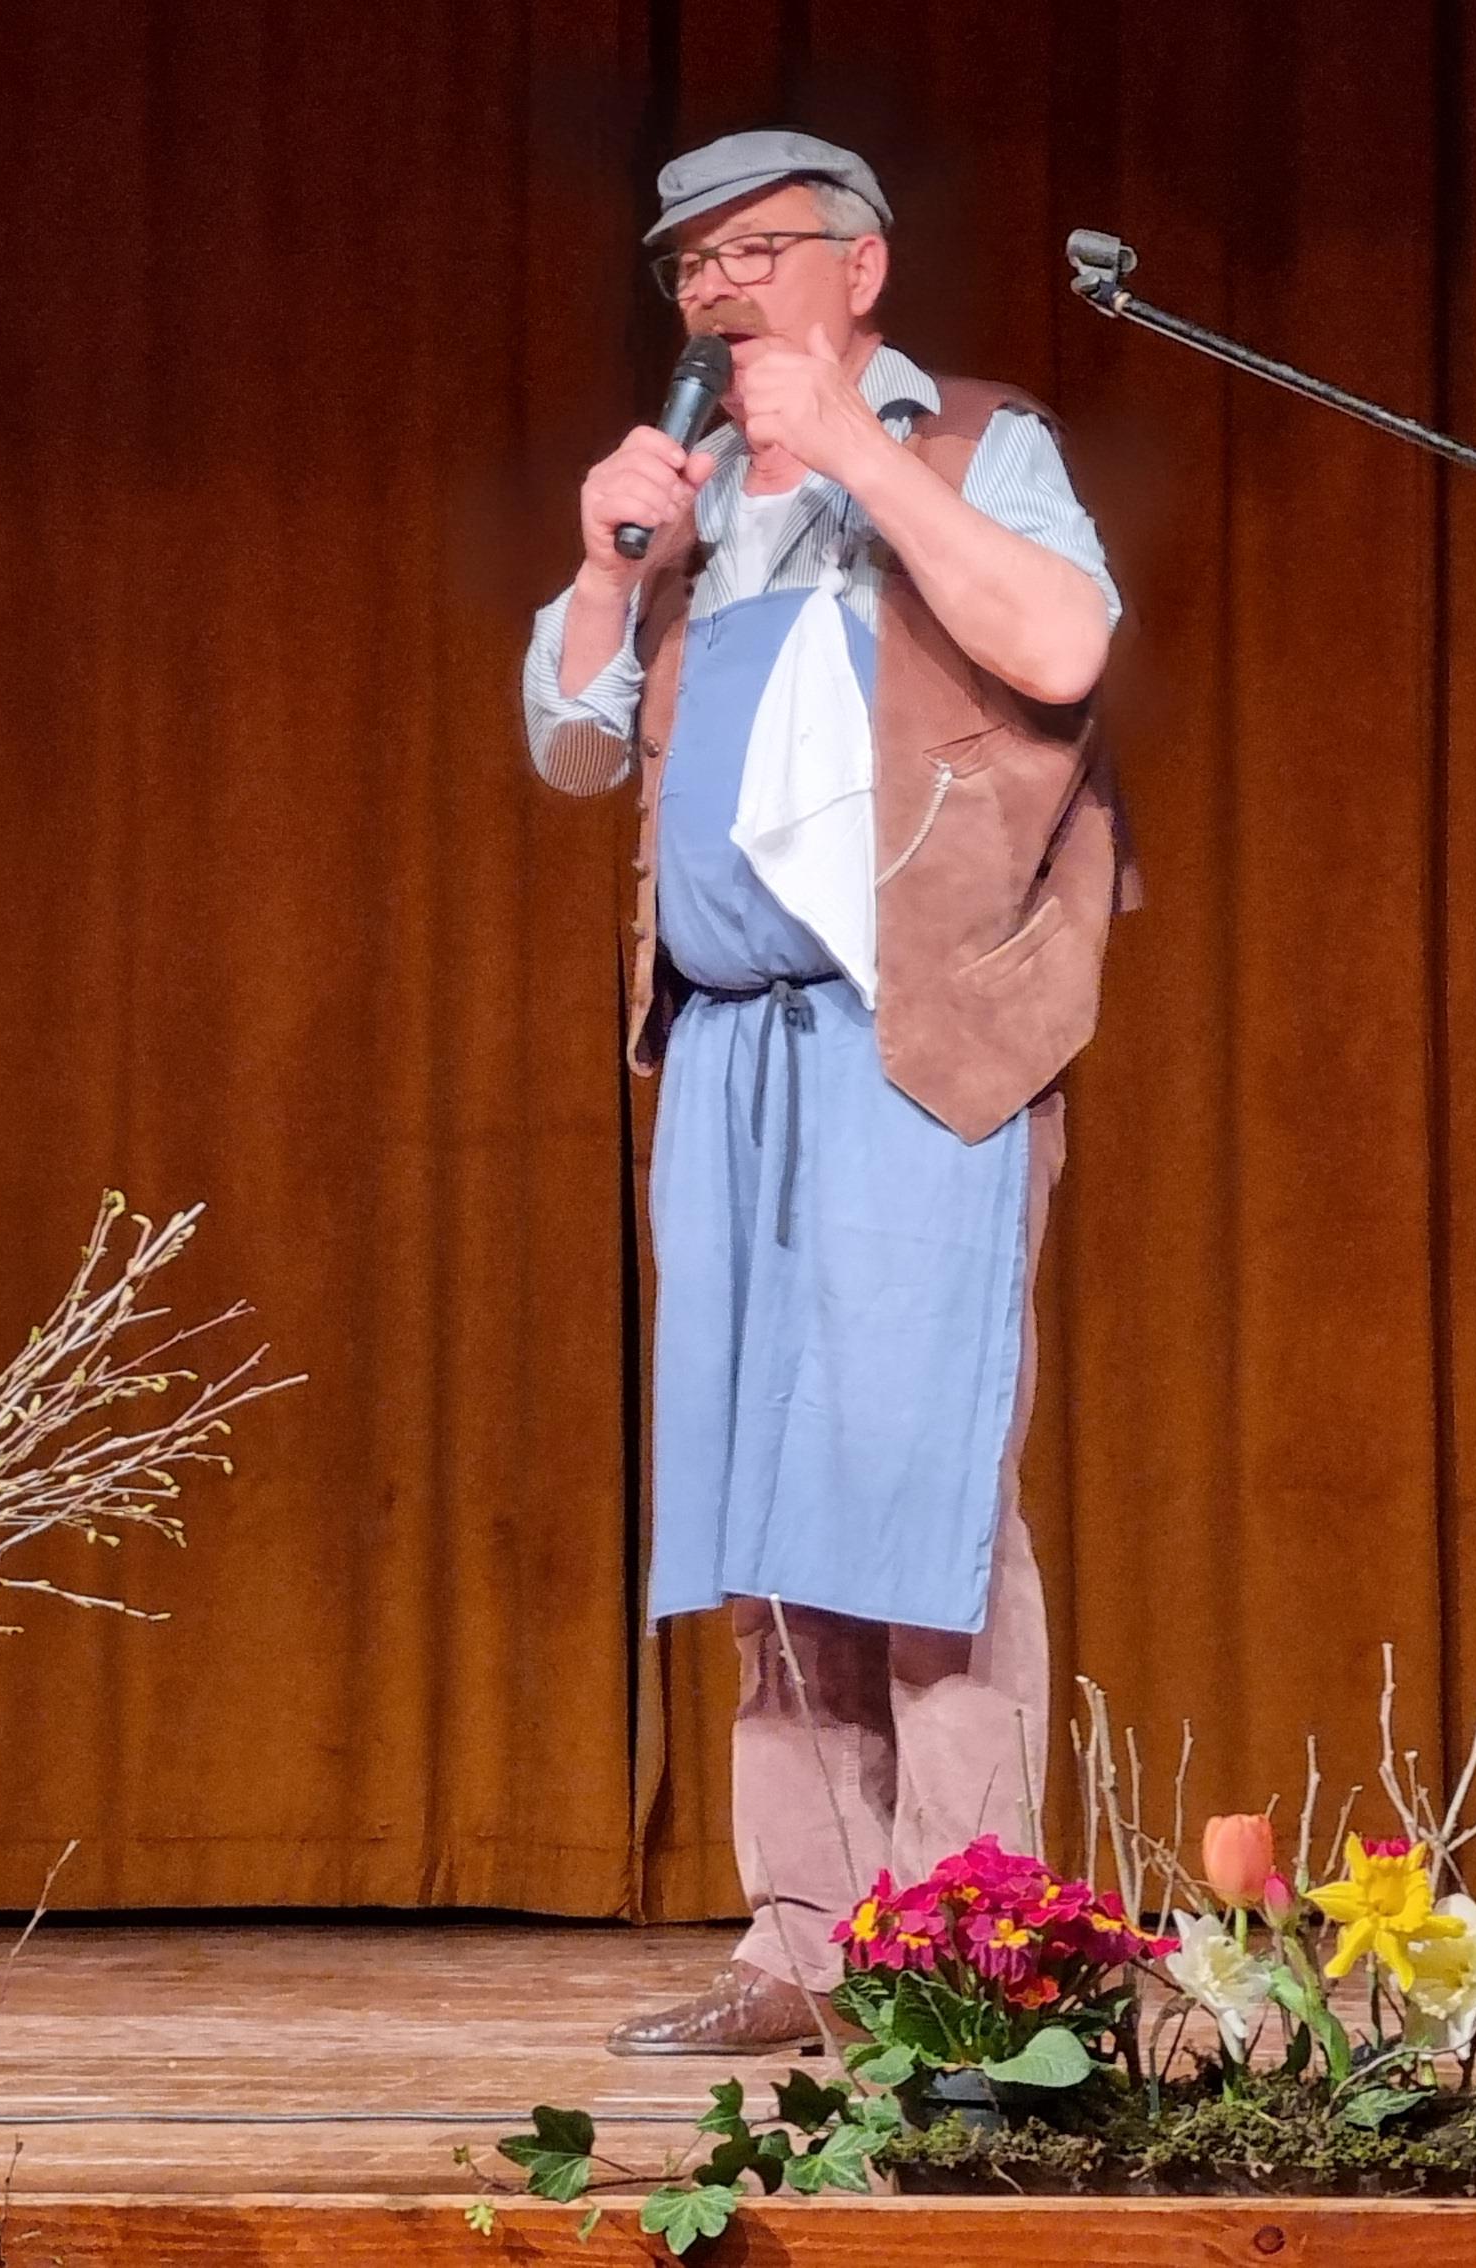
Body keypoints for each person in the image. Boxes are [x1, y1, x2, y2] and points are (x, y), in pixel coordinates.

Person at [519, 131, 1132, 2052]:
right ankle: (802, 1939)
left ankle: (967, 1935)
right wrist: (606, 573)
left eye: (752, 253)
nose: (716, 291)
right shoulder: (689, 491)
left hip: (918, 1040)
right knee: (759, 1491)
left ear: (859, 269)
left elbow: (1064, 644)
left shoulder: (977, 442)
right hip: (727, 1045)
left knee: (920, 1489)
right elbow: (568, 750)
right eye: (688, 267)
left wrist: (860, 455)